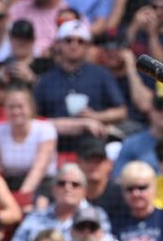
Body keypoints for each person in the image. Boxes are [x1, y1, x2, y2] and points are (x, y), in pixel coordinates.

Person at [34, 20, 126, 153]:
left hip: (94, 149)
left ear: (88, 46)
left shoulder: (101, 74)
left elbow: (121, 111)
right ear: (58, 44)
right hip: (55, 148)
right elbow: (35, 120)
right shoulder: (46, 80)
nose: (74, 45)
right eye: (68, 40)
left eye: (80, 41)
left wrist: (96, 116)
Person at [7, 163, 110, 241]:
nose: (67, 188)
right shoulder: (35, 219)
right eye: (62, 183)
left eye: (75, 184)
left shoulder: (97, 216)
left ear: (84, 191)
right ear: (53, 189)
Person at [0, 84, 58, 196]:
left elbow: (39, 169)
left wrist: (22, 197)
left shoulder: (45, 129)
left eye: (20, 107)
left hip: (42, 184)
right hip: (9, 184)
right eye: (11, 107)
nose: (16, 112)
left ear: (31, 108)